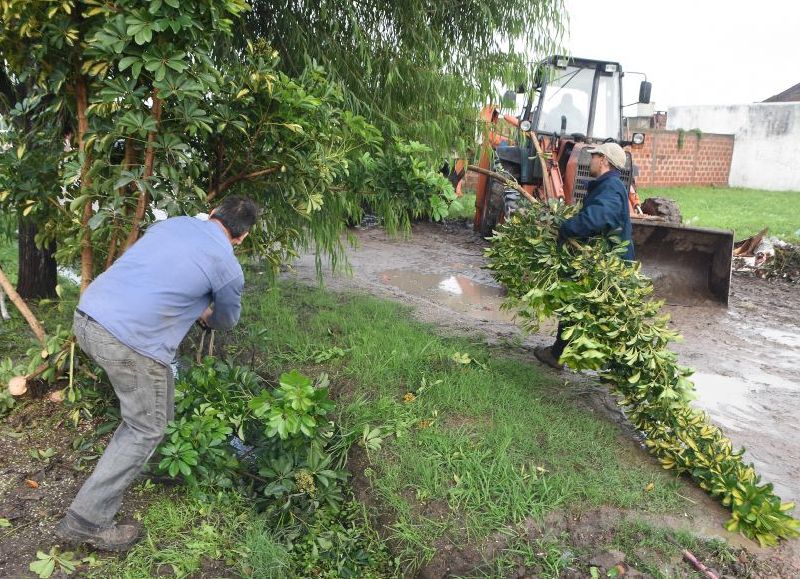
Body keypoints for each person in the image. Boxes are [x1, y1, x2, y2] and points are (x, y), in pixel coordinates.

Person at [55, 195, 260, 551]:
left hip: (88, 318)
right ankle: (87, 521)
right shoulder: (228, 267)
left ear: (212, 214)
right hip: (129, 343)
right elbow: (226, 320)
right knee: (145, 427)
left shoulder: (172, 223)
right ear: (241, 238)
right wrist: (205, 313)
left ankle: (138, 462)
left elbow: (154, 270)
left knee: (151, 415)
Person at [534, 142, 633, 370]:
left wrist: (567, 228)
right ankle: (558, 354)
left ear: (605, 161)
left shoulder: (610, 187)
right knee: (577, 303)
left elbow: (597, 217)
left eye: (595, 156)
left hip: (607, 263)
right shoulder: (610, 185)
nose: (591, 160)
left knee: (600, 313)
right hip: (600, 261)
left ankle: (619, 366)